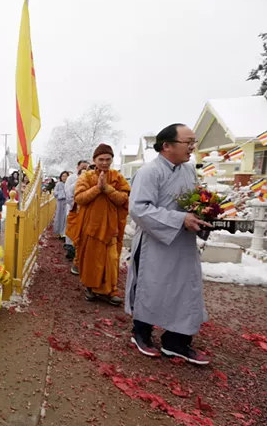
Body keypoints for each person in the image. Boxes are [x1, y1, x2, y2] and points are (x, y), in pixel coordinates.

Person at [125, 124, 211, 365]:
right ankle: (141, 334)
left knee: (185, 290)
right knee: (151, 287)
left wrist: (205, 214)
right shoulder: (149, 172)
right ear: (167, 145)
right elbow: (139, 209)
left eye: (194, 141)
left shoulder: (189, 171)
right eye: (188, 142)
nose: (193, 147)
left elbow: (194, 202)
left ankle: (177, 342)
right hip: (156, 243)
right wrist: (178, 219)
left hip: (182, 244)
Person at [72, 144, 130, 306]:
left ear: (112, 160)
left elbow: (123, 199)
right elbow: (80, 198)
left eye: (108, 159)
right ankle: (91, 288)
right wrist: (97, 188)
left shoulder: (118, 177)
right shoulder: (86, 177)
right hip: (91, 227)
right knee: (91, 259)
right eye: (101, 159)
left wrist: (107, 188)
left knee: (111, 260)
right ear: (94, 160)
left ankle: (111, 290)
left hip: (112, 227)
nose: (104, 162)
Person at [64, 160, 89, 261]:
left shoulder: (89, 176)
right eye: (82, 167)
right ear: (77, 167)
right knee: (72, 229)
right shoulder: (71, 178)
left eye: (85, 167)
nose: (84, 169)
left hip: (85, 209)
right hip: (73, 207)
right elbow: (68, 192)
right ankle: (71, 250)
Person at [52, 171, 69, 238]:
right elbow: (55, 193)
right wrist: (63, 193)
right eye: (63, 176)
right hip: (60, 203)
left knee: (66, 218)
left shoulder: (69, 184)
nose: (64, 178)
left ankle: (64, 233)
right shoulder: (58, 184)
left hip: (67, 203)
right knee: (59, 217)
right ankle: (59, 232)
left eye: (66, 176)